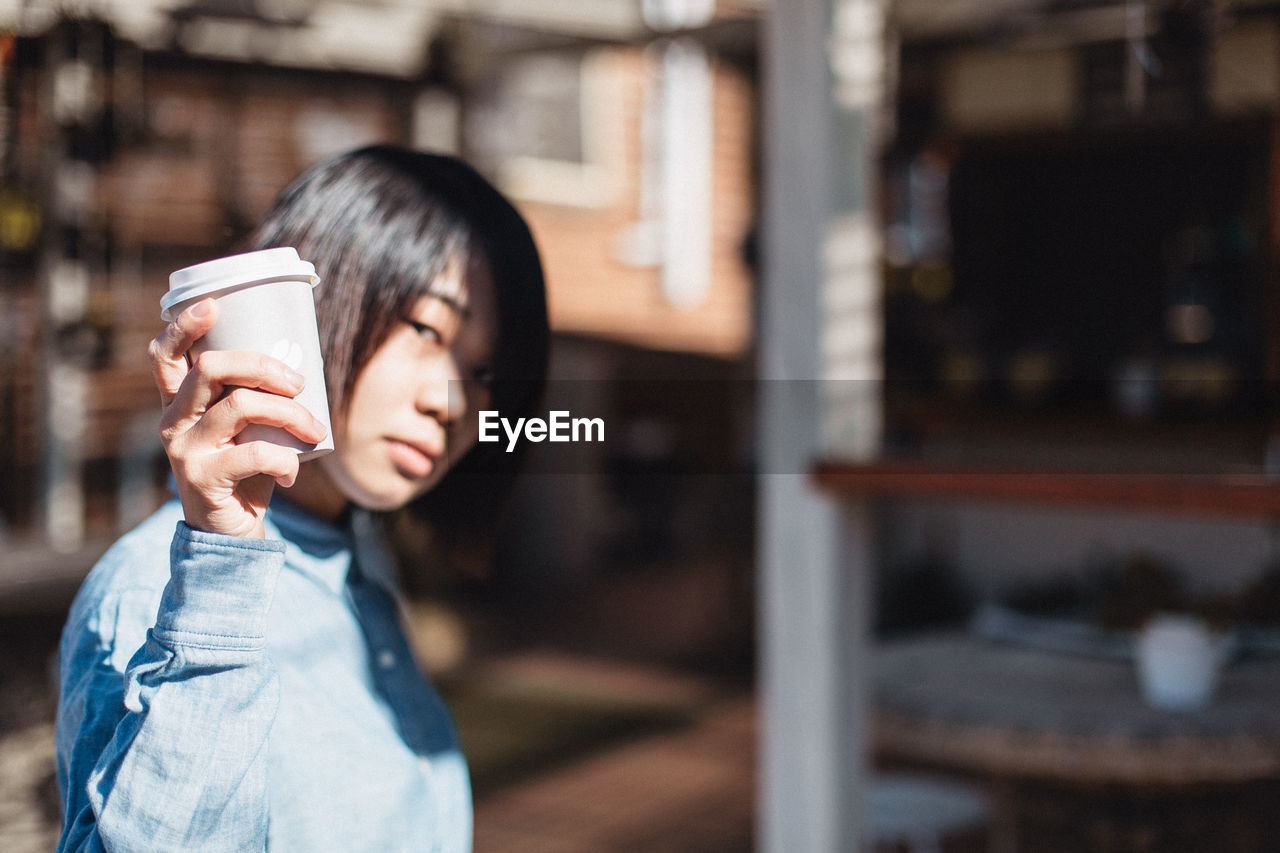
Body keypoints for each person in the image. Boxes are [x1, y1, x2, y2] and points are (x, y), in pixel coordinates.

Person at [54, 145, 549, 852]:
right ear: (310, 296)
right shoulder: (154, 594)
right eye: (427, 330)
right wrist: (218, 578)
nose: (453, 399)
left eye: (485, 370)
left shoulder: (356, 565)